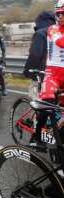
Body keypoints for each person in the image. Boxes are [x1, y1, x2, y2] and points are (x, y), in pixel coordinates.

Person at [31, 0, 64, 146]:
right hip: (53, 74)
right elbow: (60, 42)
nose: (62, 17)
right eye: (60, 14)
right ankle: (36, 136)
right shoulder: (53, 29)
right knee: (47, 103)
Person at [24, 11, 56, 98]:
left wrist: (27, 71)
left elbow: (35, 54)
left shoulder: (40, 33)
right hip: (57, 76)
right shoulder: (58, 32)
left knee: (36, 103)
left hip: (41, 75)